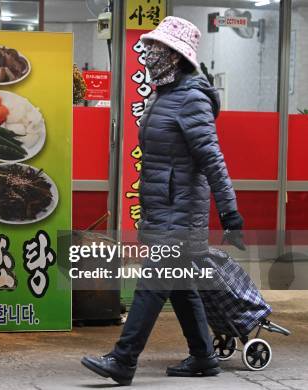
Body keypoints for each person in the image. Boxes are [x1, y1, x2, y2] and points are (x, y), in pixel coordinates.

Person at [81, 16, 245, 386]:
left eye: (157, 47)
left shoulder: (190, 98)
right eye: (150, 45)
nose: (148, 52)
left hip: (182, 214)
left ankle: (123, 360)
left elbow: (211, 159)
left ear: (175, 56)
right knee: (182, 286)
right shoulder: (165, 92)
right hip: (163, 208)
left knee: (153, 282)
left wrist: (231, 214)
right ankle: (204, 356)